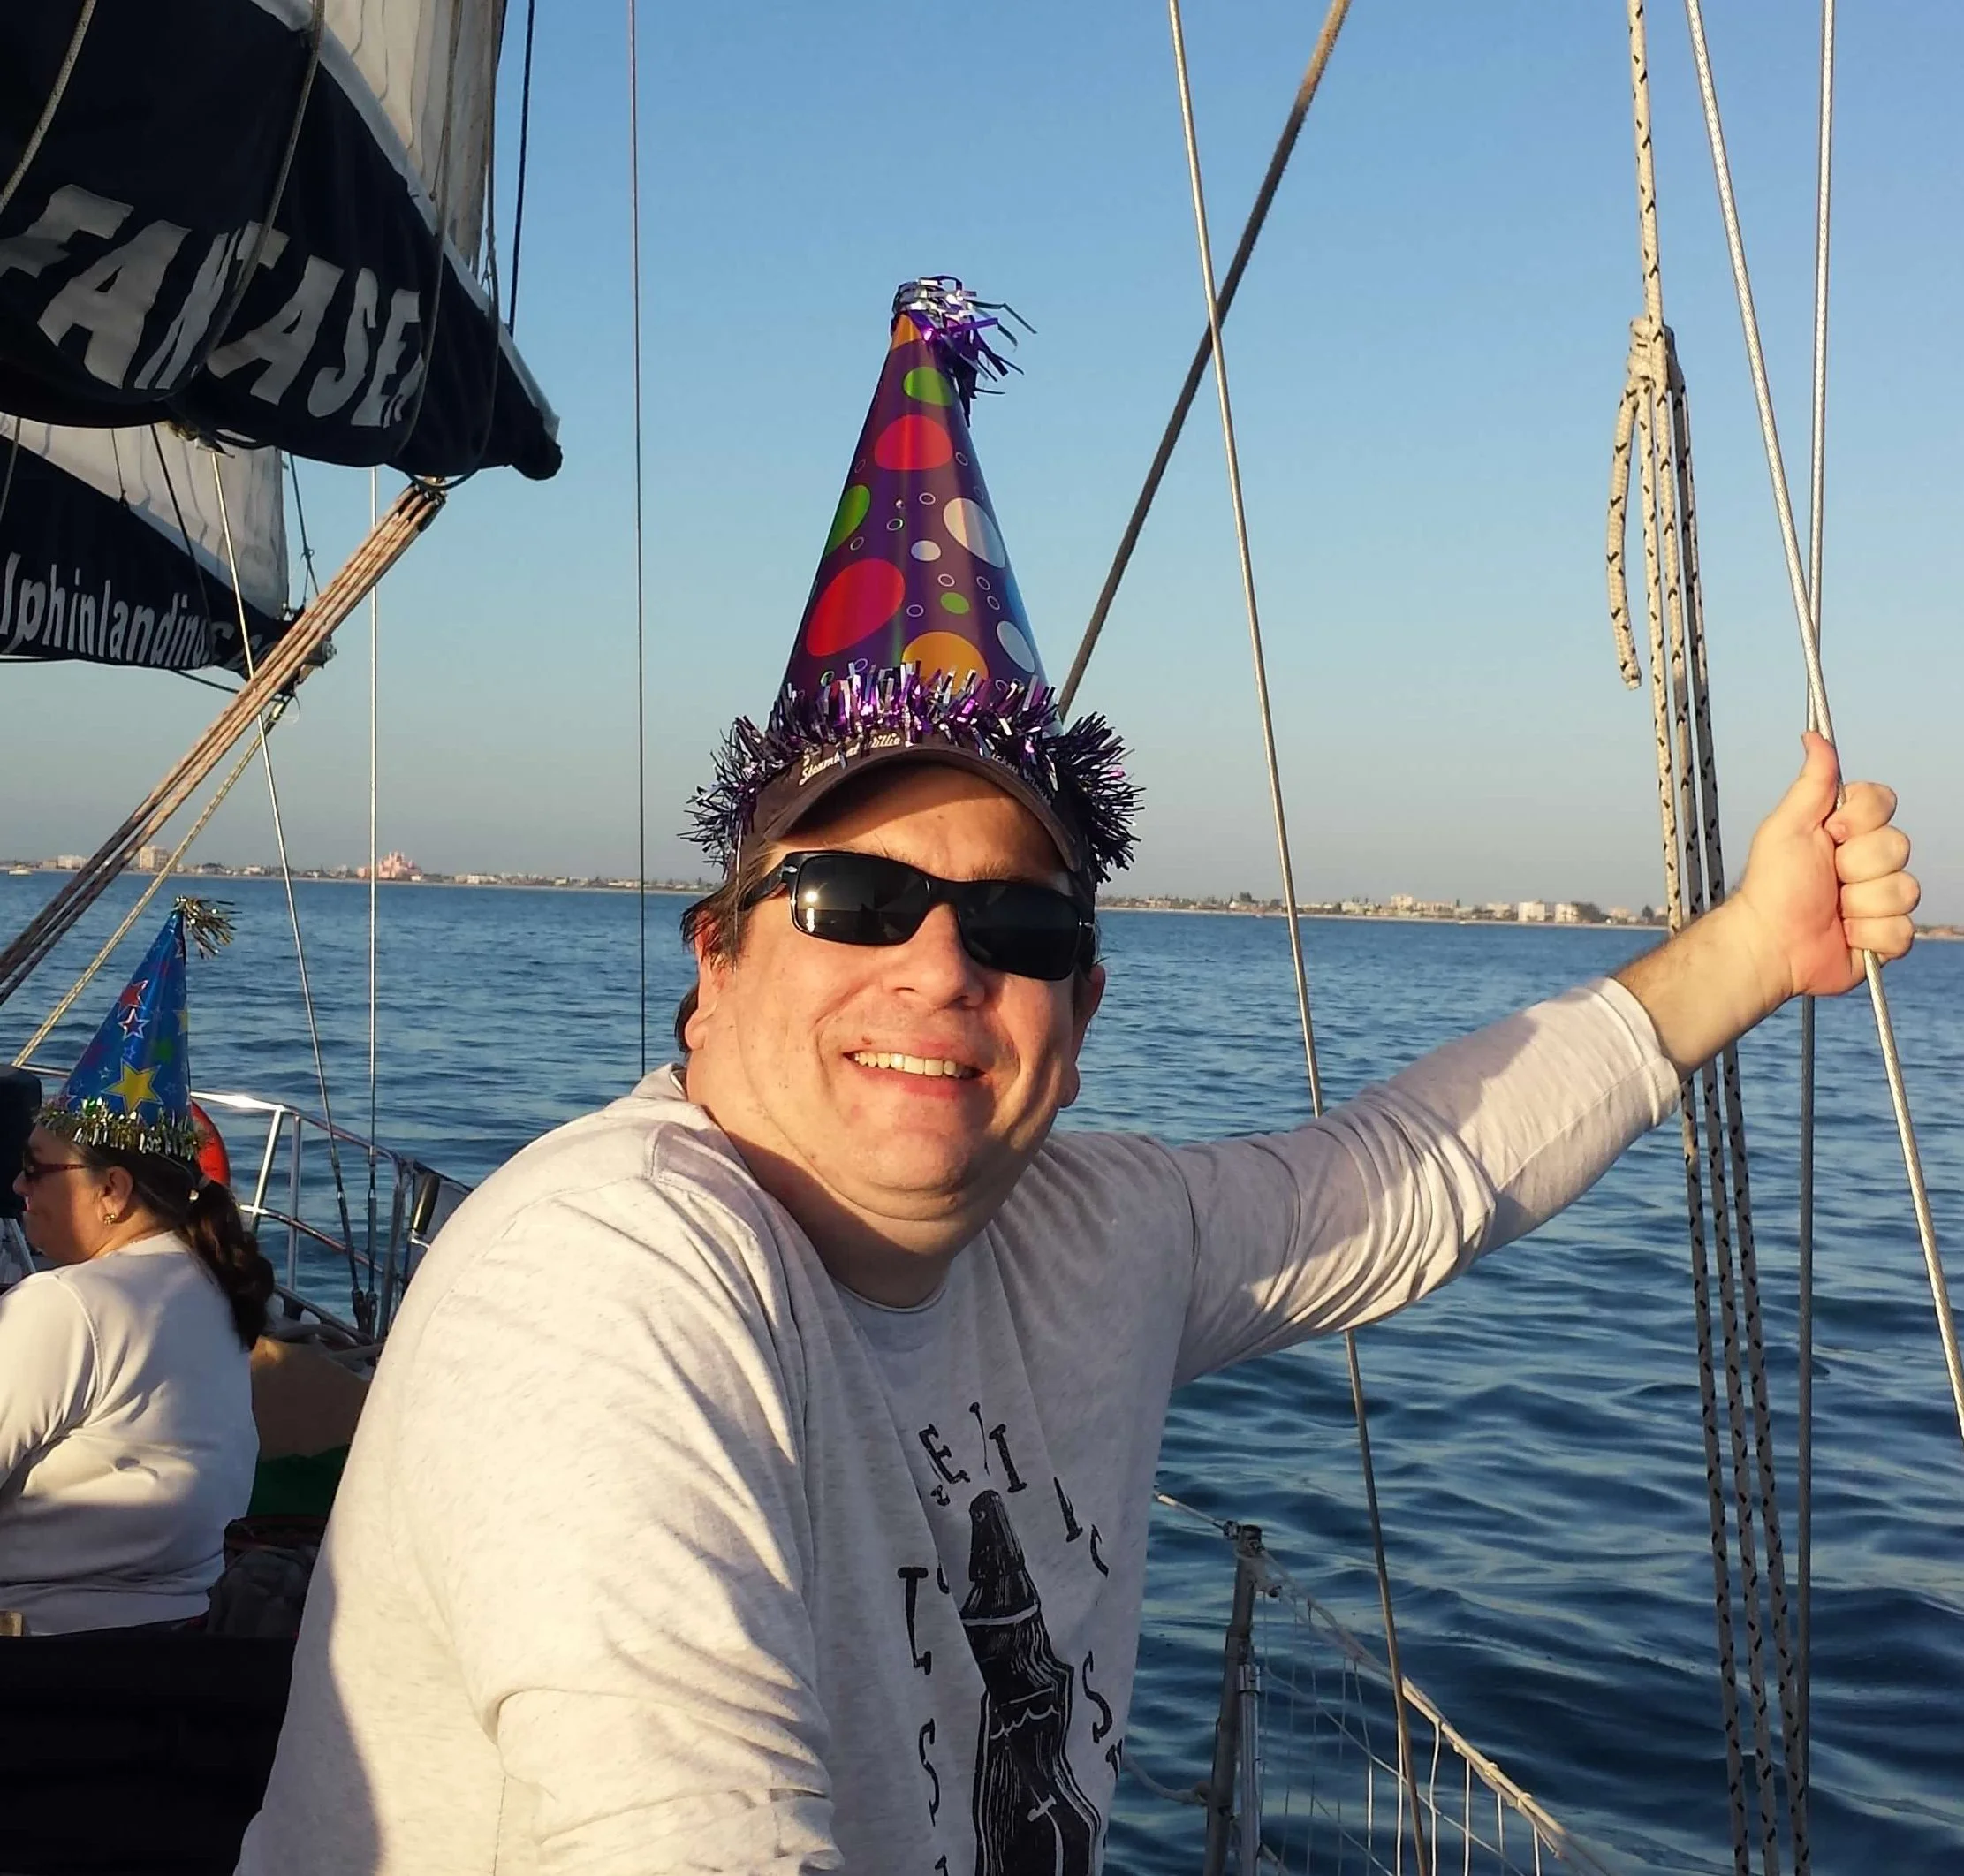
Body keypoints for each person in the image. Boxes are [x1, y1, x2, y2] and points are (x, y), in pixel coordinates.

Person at [239, 282, 1919, 1875]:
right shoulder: (604, 1279)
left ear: (1083, 1001)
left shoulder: (1091, 1238)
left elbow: (1419, 1171)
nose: (939, 965)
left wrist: (1752, 948)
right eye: (853, 898)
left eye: (1017, 922)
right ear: (717, 954)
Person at [1, 901, 271, 1635]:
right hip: (174, 1636)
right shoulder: (211, 1284)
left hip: (38, 1647)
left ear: (112, 1190)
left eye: (35, 1169)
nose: (18, 1187)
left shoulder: (65, 1305)